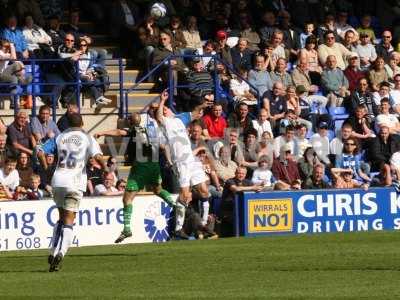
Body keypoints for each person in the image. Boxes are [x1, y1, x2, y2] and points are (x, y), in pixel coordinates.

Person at [94, 108, 175, 243]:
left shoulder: (132, 131)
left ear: (131, 122)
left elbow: (118, 132)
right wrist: (169, 160)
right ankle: (176, 204)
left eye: (128, 120)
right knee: (158, 190)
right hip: (154, 165)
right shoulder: (151, 131)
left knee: (127, 199)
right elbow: (163, 146)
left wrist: (102, 132)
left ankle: (126, 229)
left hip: (140, 167)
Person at [48, 113, 106, 272]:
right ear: (82, 122)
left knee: (60, 217)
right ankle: (61, 252)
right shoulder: (87, 138)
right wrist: (106, 168)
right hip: (74, 183)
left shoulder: (60, 137)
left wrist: (45, 167)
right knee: (69, 220)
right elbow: (98, 157)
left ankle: (52, 250)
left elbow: (40, 150)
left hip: (57, 181)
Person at [157, 90, 211, 239]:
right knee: (185, 195)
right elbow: (159, 116)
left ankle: (204, 224)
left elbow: (196, 112)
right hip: (181, 162)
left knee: (204, 191)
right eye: (164, 109)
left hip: (191, 159)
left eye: (167, 108)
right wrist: (162, 101)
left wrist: (203, 104)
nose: (166, 109)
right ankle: (178, 229)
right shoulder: (165, 124)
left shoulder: (181, 118)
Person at [220, 166, 263, 237]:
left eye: (243, 174)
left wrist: (258, 188)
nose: (241, 175)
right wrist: (252, 188)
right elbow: (236, 189)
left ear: (245, 174)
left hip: (242, 209)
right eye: (239, 173)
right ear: (235, 173)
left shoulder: (248, 182)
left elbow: (256, 189)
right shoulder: (230, 181)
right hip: (229, 210)